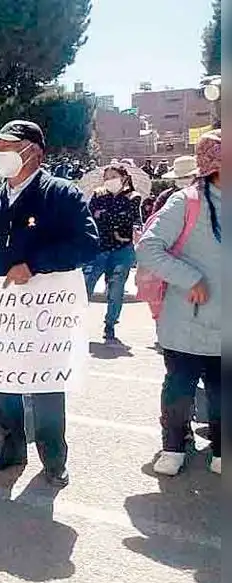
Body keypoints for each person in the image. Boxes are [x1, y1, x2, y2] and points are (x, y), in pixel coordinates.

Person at [0, 120, 98, 487]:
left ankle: (54, 458)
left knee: (45, 384)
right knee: (3, 379)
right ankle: (10, 448)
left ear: (34, 152)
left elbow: (87, 243)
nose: (0, 156)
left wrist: (35, 265)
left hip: (45, 313)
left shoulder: (61, 194)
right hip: (2, 313)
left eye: (9, 147)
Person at [136, 130, 222, 476]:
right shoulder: (186, 202)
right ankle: (173, 446)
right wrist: (190, 278)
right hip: (185, 320)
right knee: (179, 387)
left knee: (222, 392)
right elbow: (148, 248)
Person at [83, 163, 142, 344]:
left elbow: (130, 219)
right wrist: (109, 217)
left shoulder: (134, 197)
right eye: (106, 177)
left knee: (116, 290)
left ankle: (110, 325)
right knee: (85, 286)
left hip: (122, 251)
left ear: (123, 178)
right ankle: (75, 321)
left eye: (113, 176)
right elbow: (90, 216)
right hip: (98, 249)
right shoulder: (98, 195)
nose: (109, 180)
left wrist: (105, 215)